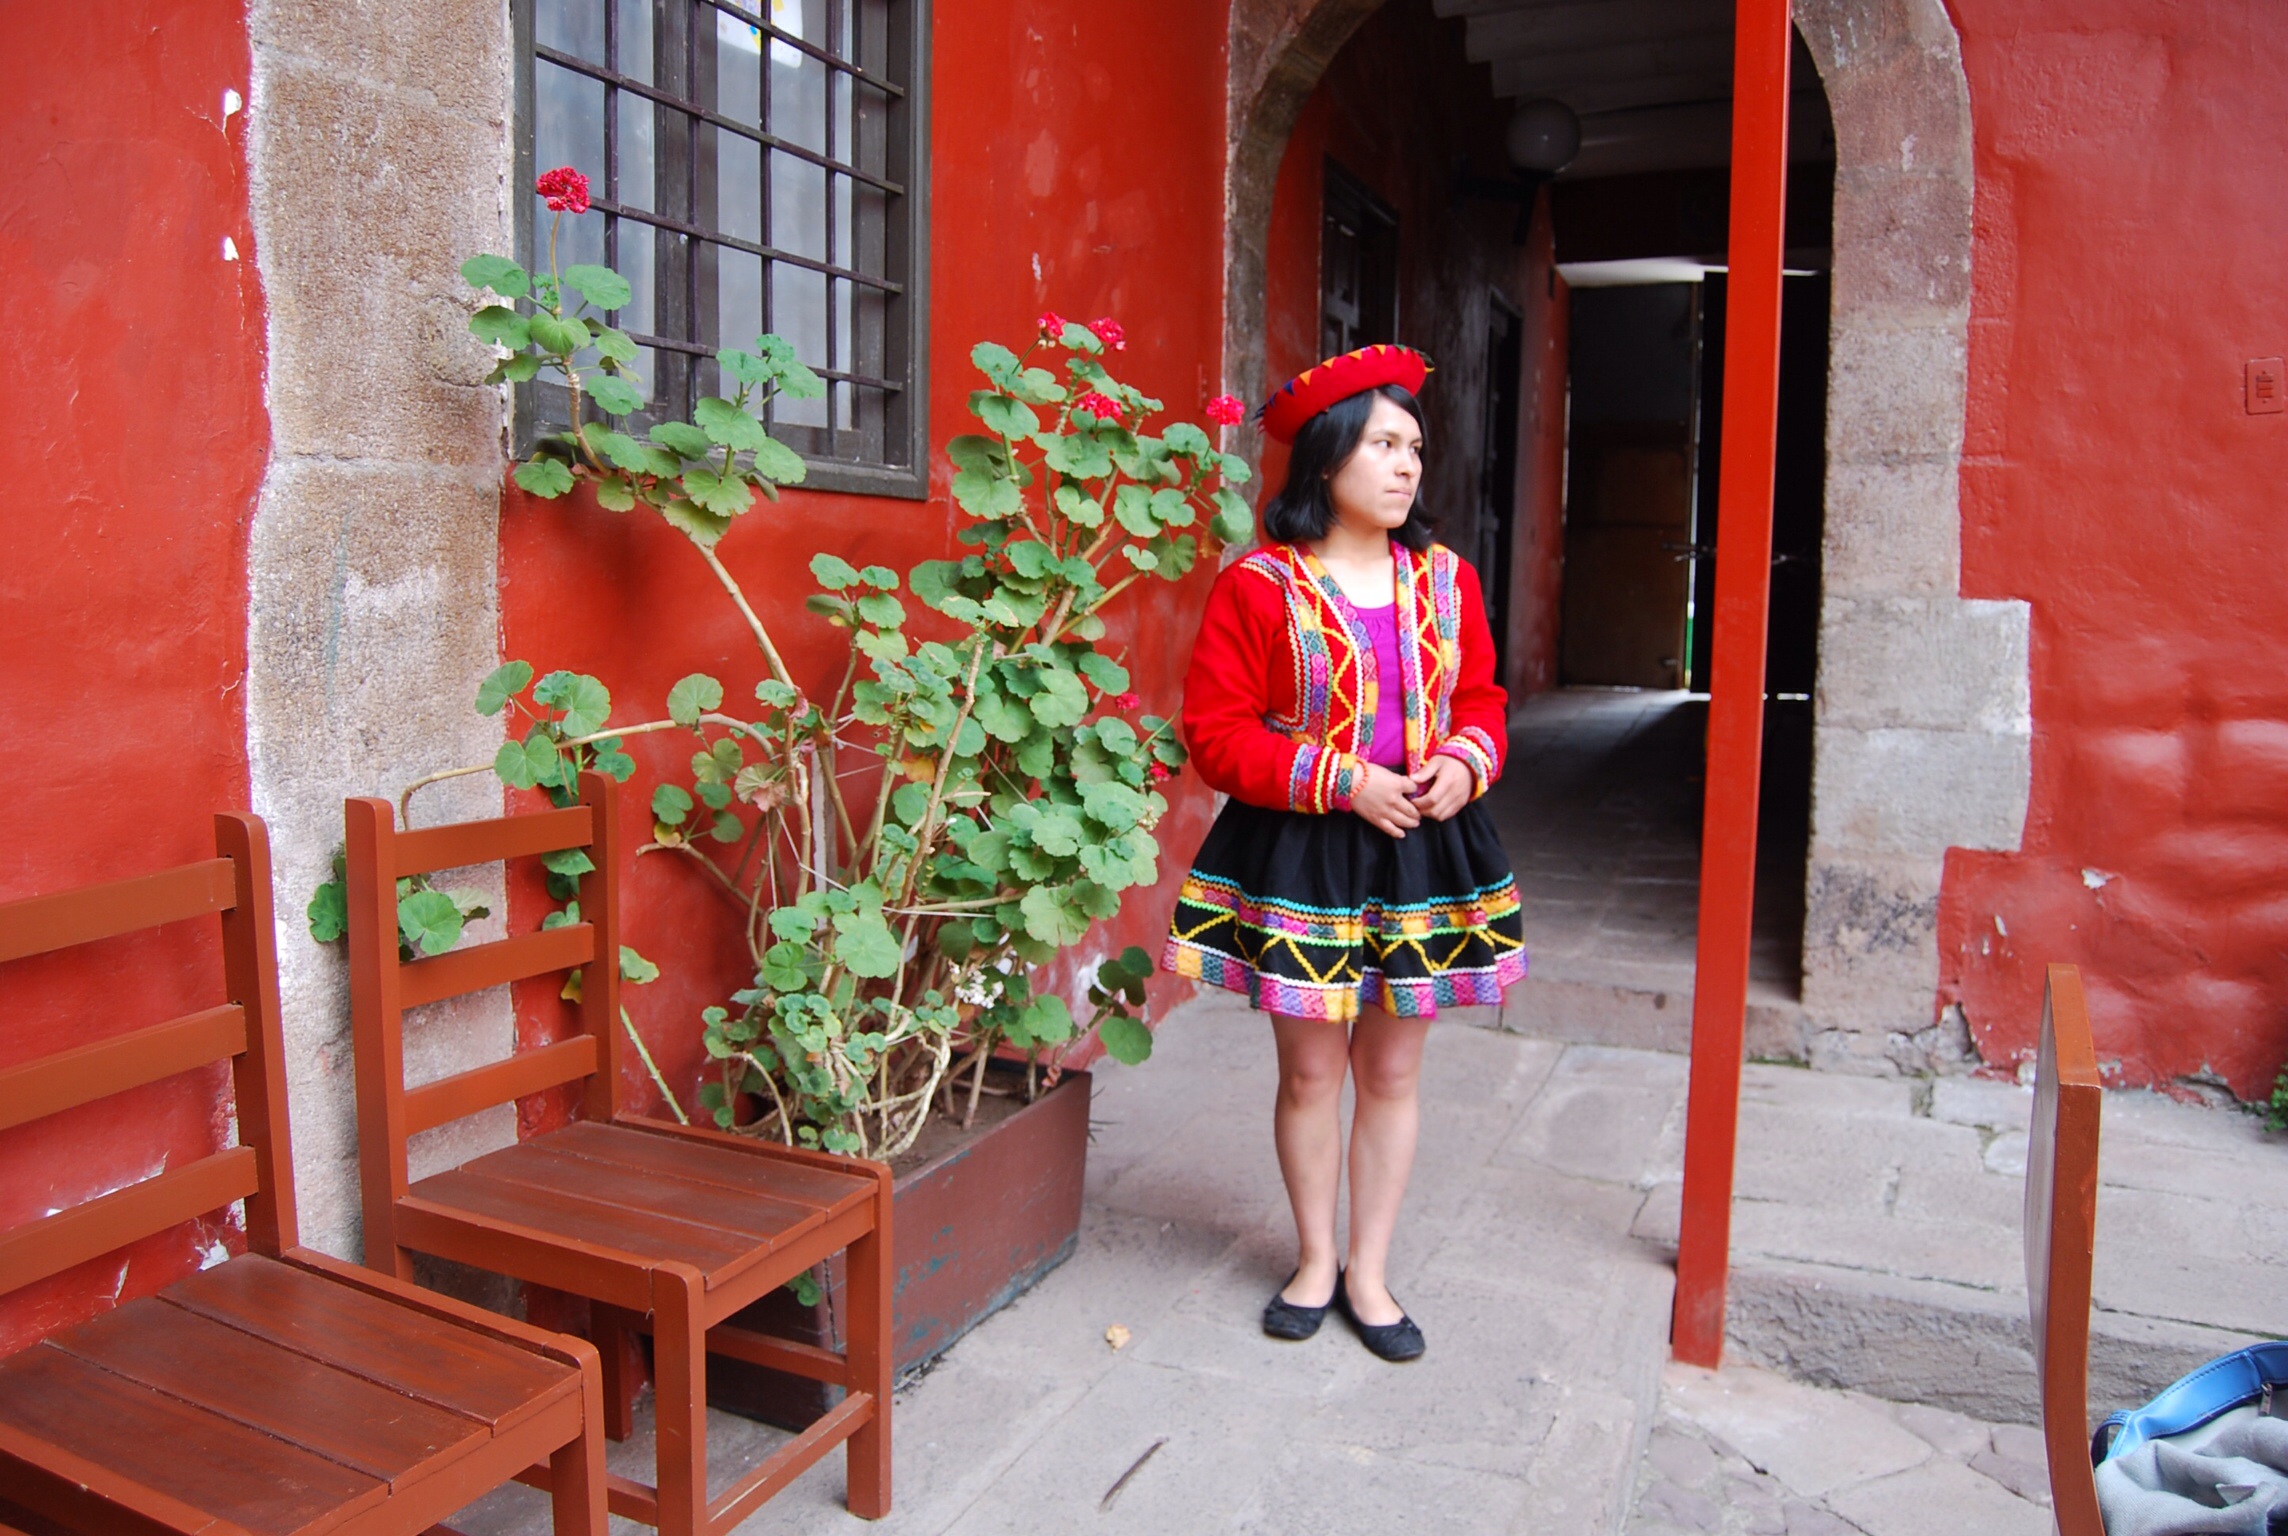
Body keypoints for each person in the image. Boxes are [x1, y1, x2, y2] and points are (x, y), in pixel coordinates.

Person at [1162, 344, 1527, 1362]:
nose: (1407, 465)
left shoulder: (1446, 581)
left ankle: (1370, 1272)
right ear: (1326, 460)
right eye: (1382, 444)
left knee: (1394, 1069)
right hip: (1305, 852)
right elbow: (1215, 730)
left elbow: (1482, 702)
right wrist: (1339, 780)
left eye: (1413, 447)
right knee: (1313, 1070)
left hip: (1421, 849)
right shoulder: (1259, 586)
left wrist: (1464, 760)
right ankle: (1313, 1258)